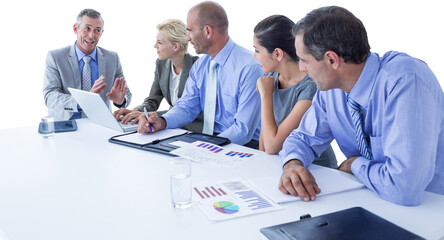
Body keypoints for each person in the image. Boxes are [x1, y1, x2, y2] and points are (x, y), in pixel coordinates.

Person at [279, 6, 444, 206]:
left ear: (332, 59)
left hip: (429, 211)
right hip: (370, 199)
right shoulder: (330, 91)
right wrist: (292, 164)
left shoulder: (406, 81)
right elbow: (302, 138)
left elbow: (404, 188)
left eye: (304, 60)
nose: (301, 68)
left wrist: (354, 164)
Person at [138, 1, 263, 147]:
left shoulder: (250, 67)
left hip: (244, 146)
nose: (187, 38)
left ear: (207, 31)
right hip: (208, 141)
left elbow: (242, 131)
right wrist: (162, 122)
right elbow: (186, 107)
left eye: (190, 31)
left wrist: (203, 146)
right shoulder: (200, 66)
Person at [253, 15, 337, 168]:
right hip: (280, 163)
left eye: (257, 50)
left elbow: (272, 146)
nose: (254, 56)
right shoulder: (270, 77)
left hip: (315, 168)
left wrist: (266, 96)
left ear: (278, 54)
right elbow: (264, 141)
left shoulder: (310, 87)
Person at [113, 19, 203, 133]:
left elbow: (188, 110)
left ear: (175, 46)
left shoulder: (198, 67)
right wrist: (135, 111)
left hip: (193, 129)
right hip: (171, 129)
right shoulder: (161, 64)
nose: (155, 46)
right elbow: (153, 100)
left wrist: (153, 116)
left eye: (160, 42)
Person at [43, 9, 131, 120]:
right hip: (67, 126)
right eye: (87, 28)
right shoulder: (55, 57)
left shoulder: (112, 58)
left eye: (97, 30)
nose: (91, 35)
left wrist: (121, 101)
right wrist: (85, 100)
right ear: (76, 28)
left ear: (101, 33)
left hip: (102, 124)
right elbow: (50, 97)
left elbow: (126, 93)